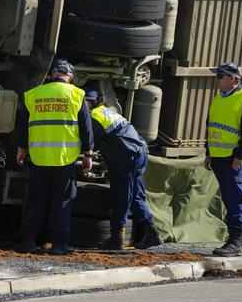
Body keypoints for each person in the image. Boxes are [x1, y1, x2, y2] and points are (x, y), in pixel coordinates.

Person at [14, 59, 94, 255]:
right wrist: (88, 154)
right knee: (62, 202)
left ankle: (28, 241)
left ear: (52, 74)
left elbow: (23, 126)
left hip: (39, 156)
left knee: (35, 200)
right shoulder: (76, 94)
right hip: (64, 158)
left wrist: (21, 149)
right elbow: (86, 127)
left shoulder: (34, 94)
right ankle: (60, 245)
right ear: (70, 77)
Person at [84, 87, 162, 250]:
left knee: (121, 197)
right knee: (136, 196)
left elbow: (86, 144)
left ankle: (116, 237)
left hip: (125, 158)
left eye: (86, 102)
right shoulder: (108, 112)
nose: (85, 105)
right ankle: (152, 232)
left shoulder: (94, 117)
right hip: (139, 154)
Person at [205, 62, 242, 257]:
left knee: (239, 199)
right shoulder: (218, 99)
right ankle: (235, 241)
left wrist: (240, 155)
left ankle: (237, 241)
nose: (217, 79)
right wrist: (208, 152)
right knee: (229, 198)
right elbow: (211, 126)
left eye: (221, 76)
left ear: (233, 79)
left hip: (234, 159)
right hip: (219, 157)